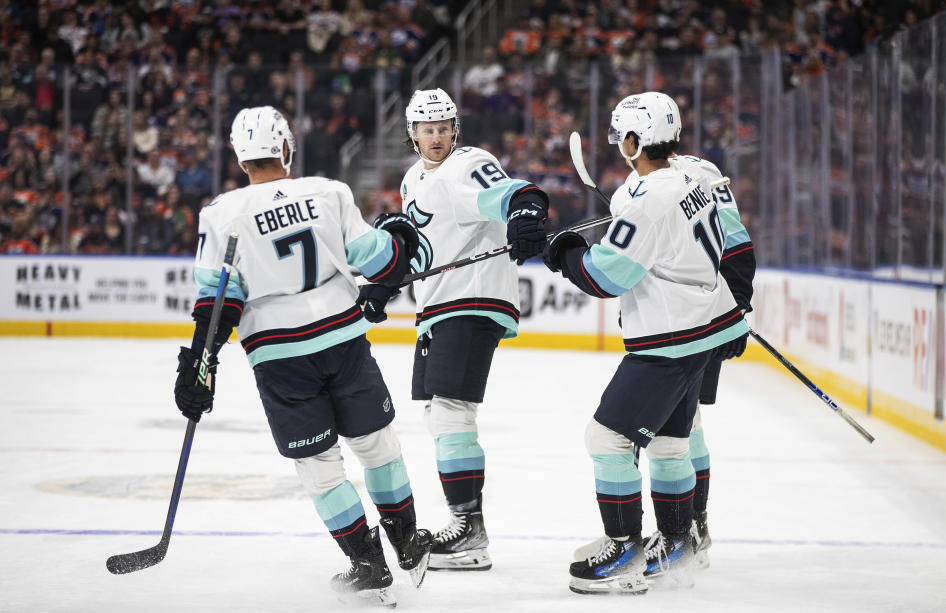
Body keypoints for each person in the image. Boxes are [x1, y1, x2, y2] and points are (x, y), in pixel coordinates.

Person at [173, 105, 432, 608]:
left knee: (319, 465)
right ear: (286, 147)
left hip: (278, 358)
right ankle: (406, 540)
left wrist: (199, 366)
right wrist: (398, 239)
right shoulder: (329, 192)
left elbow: (217, 302)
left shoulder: (221, 213)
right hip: (344, 342)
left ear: (239, 156)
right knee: (377, 445)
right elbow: (380, 260)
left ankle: (368, 564)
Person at [541, 92, 749, 595]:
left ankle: (624, 551)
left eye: (622, 139)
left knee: (608, 439)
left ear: (635, 140)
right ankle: (677, 542)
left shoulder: (648, 199)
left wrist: (565, 251)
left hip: (668, 338)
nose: (619, 148)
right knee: (673, 442)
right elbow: (731, 240)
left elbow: (606, 277)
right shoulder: (698, 175)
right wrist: (739, 306)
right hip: (704, 327)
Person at [395, 88, 549, 571]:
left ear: (454, 130)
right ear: (412, 133)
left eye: (443, 128)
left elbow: (515, 192)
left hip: (472, 298)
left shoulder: (468, 162)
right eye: (427, 129)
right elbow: (419, 249)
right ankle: (467, 527)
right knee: (439, 416)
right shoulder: (412, 180)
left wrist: (525, 211)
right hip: (438, 306)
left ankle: (468, 530)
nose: (436, 137)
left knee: (451, 412)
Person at [665, 93, 756, 569]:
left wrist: (738, 305)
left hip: (698, 316)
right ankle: (692, 522)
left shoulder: (696, 173)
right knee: (687, 423)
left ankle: (689, 523)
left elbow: (736, 245)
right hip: (678, 319)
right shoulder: (678, 174)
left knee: (681, 425)